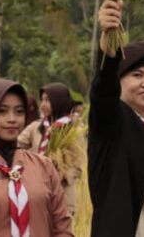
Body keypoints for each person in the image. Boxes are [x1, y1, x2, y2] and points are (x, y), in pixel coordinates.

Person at [88, 0, 144, 237]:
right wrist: (108, 55)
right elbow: (103, 93)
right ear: (119, 83)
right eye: (137, 75)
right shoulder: (112, 123)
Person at [0, 79, 72, 236]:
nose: (12, 119)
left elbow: (62, 225)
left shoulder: (44, 166)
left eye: (19, 112)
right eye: (2, 111)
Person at [18, 82, 83, 216]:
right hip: (37, 191)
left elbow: (78, 166)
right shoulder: (37, 127)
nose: (43, 104)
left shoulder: (72, 131)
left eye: (48, 100)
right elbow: (18, 144)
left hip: (63, 195)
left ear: (59, 101)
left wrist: (59, 173)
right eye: (42, 100)